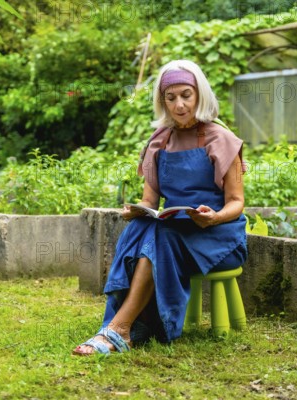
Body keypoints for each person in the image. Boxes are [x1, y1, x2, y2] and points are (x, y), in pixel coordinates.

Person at [72, 59, 247, 356]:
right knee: (142, 227)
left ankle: (120, 328)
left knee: (162, 236)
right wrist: (136, 210)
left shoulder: (221, 139)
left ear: (199, 95)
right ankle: (134, 325)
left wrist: (214, 217)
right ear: (162, 101)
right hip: (175, 233)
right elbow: (150, 201)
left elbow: (237, 203)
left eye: (186, 96)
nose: (179, 105)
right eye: (171, 98)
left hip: (219, 238)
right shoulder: (160, 142)